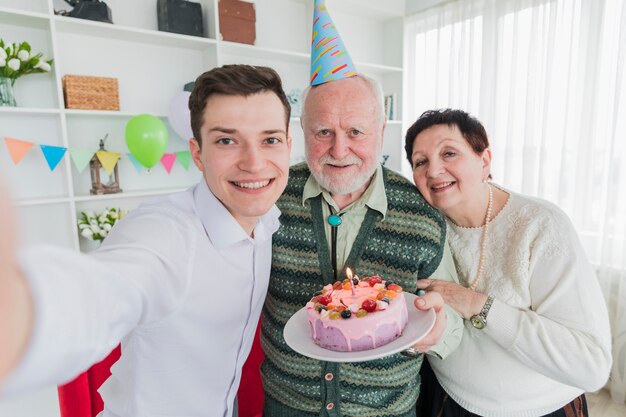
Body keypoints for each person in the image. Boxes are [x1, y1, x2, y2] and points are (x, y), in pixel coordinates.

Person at [0, 64, 292, 417]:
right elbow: (100, 293)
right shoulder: (164, 233)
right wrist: (21, 314)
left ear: (288, 146)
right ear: (198, 153)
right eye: (227, 140)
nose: (254, 163)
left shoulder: (268, 218)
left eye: (270, 139)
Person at [259, 74, 464, 417]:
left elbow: (452, 322)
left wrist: (436, 331)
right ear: (302, 132)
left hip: (386, 411)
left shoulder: (422, 215)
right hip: (287, 405)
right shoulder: (269, 196)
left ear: (382, 131)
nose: (339, 150)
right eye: (323, 132)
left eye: (355, 132)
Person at [406, 108, 612, 417]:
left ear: (485, 160)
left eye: (449, 153)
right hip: (448, 402)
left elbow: (591, 364)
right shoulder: (422, 225)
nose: (434, 170)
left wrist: (476, 304)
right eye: (421, 161)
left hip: (541, 410)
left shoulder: (541, 225)